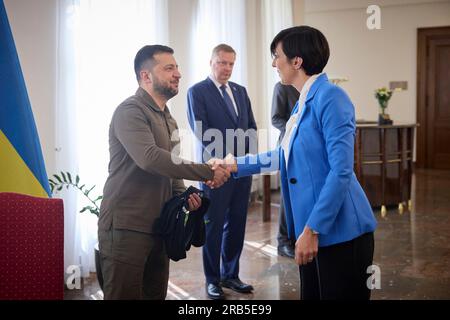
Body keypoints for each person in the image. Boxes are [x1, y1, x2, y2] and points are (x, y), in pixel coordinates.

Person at [209, 26, 377, 300]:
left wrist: (313, 228)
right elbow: (284, 155)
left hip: (340, 232)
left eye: (277, 56)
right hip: (312, 231)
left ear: (297, 61)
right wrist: (234, 165)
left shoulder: (332, 98)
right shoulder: (302, 102)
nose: (274, 63)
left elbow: (341, 171)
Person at [98, 45, 231, 300]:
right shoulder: (130, 111)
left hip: (159, 227)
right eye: (169, 68)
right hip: (126, 227)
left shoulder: (168, 117)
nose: (178, 73)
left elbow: (171, 170)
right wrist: (206, 171)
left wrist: (185, 199)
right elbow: (150, 158)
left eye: (177, 67)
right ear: (146, 76)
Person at [187, 44, 258, 300]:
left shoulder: (240, 91)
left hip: (241, 170)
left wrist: (246, 161)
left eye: (231, 63)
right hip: (215, 171)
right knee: (214, 225)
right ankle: (212, 279)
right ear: (211, 62)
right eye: (222, 62)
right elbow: (202, 131)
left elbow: (251, 126)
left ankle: (231, 274)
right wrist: (226, 161)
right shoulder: (197, 91)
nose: (226, 68)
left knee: (237, 222)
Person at [271, 82, 299, 259]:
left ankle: (298, 238)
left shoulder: (308, 87)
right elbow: (276, 118)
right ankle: (283, 242)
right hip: (288, 148)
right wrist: (297, 129)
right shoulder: (282, 87)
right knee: (287, 197)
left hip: (305, 149)